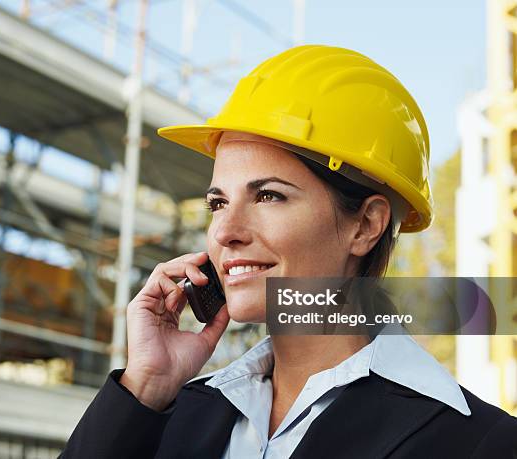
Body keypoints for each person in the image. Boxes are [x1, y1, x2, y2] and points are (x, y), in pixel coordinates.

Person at [59, 45, 517, 458]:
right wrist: (145, 386)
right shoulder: (167, 414)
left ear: (366, 225)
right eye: (218, 203)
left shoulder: (479, 444)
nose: (226, 233)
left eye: (268, 196)